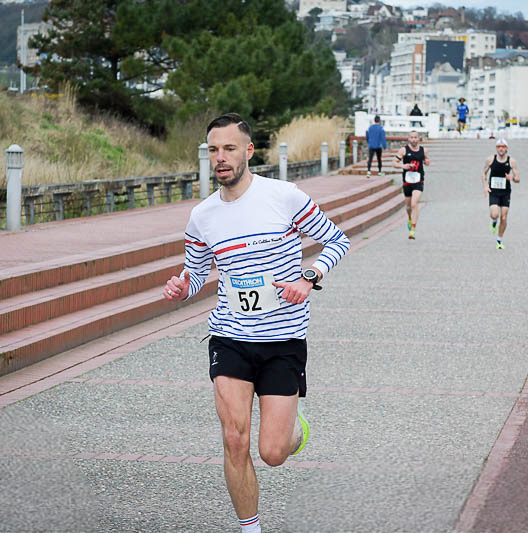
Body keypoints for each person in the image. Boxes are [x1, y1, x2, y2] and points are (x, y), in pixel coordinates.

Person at [164, 113, 350, 533]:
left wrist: (309, 276)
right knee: (234, 438)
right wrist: (181, 286)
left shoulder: (284, 197)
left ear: (248, 151)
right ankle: (251, 529)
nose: (221, 158)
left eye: (229, 148)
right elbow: (195, 275)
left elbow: (338, 240)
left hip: (283, 338)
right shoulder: (203, 216)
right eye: (213, 150)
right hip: (229, 335)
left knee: (272, 452)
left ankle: (291, 431)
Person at [481, 138, 520, 250]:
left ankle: (499, 240)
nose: (501, 149)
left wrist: (512, 178)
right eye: (499, 147)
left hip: (505, 192)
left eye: (503, 146)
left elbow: (518, 179)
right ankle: (493, 222)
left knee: (503, 217)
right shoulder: (490, 160)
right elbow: (483, 174)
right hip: (493, 191)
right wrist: (485, 185)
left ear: (506, 148)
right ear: (496, 148)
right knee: (495, 214)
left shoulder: (511, 161)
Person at [393, 130, 430, 240]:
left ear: (419, 138)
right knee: (408, 207)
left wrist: (427, 162)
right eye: (412, 137)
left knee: (414, 204)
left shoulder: (424, 150)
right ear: (408, 139)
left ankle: (413, 230)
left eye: (415, 137)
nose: (414, 139)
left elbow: (426, 161)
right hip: (407, 181)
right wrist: (403, 166)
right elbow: (394, 162)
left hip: (419, 180)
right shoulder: (404, 150)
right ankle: (409, 218)